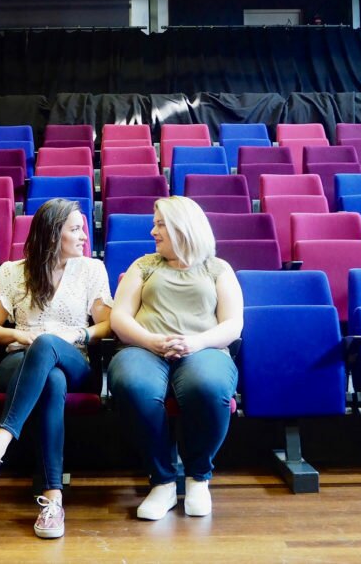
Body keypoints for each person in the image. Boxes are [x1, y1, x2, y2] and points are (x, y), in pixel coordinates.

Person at [0, 198, 112, 539]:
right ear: (51, 234)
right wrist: (20, 334)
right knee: (50, 380)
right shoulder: (13, 272)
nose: (84, 237)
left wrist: (78, 333)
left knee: (50, 348)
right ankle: (53, 500)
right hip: (20, 361)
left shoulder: (92, 270)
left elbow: (107, 326)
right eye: (75, 230)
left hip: (75, 359)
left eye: (83, 229)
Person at [108, 196, 243, 520]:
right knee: (133, 385)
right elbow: (120, 317)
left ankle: (198, 477)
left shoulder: (217, 268)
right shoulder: (144, 265)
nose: (152, 231)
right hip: (143, 347)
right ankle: (163, 481)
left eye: (160, 224)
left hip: (204, 348)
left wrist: (196, 343)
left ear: (183, 227)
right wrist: (151, 341)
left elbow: (233, 323)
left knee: (209, 387)